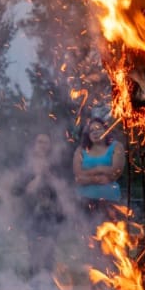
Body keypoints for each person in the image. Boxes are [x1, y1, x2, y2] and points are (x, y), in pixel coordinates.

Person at [14, 132, 66, 281]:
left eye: (46, 142)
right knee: (34, 248)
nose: (42, 145)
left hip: (52, 212)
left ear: (50, 146)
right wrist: (37, 177)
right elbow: (18, 189)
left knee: (49, 248)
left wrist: (48, 175)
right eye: (39, 142)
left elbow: (62, 188)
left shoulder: (55, 165)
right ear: (34, 145)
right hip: (31, 212)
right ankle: (34, 281)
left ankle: (49, 280)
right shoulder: (26, 166)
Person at [74, 117, 124, 218]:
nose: (95, 132)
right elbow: (78, 177)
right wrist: (98, 178)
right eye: (91, 130)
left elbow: (115, 172)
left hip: (110, 201)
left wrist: (91, 173)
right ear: (88, 135)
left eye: (98, 129)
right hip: (84, 201)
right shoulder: (81, 150)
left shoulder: (116, 146)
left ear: (106, 130)